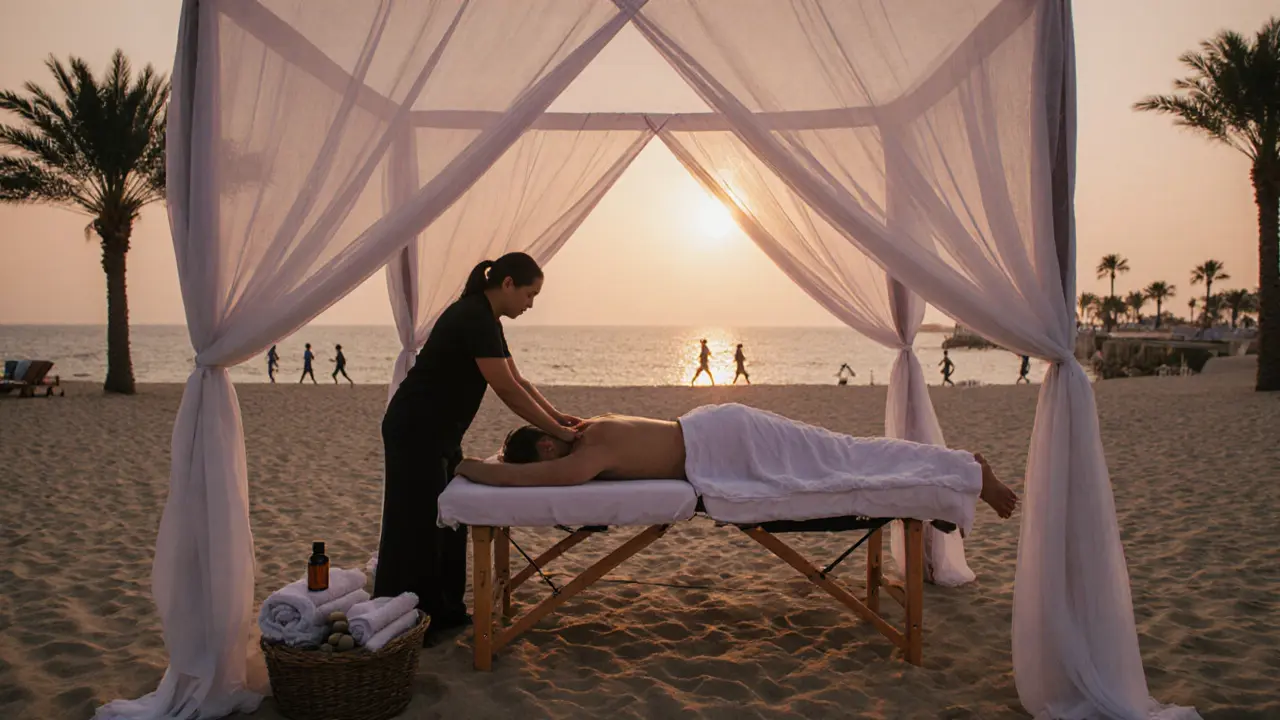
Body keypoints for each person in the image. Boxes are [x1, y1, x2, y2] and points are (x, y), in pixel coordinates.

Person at [377, 252, 584, 644]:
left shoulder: (487, 320)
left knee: (451, 520)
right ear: (507, 284)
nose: (530, 304)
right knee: (420, 525)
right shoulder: (472, 316)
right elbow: (505, 390)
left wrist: (559, 417)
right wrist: (558, 432)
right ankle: (415, 620)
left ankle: (445, 611)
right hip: (415, 429)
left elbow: (519, 382)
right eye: (529, 294)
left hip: (440, 433)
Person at [457, 404, 1018, 521]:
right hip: (721, 428)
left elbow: (533, 478)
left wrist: (464, 467)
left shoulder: (590, 451)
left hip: (728, 446)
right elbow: (538, 457)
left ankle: (965, 471)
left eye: (543, 452)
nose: (548, 458)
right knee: (844, 451)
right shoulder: (593, 425)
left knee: (843, 460)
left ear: (546, 447)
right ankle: (955, 471)